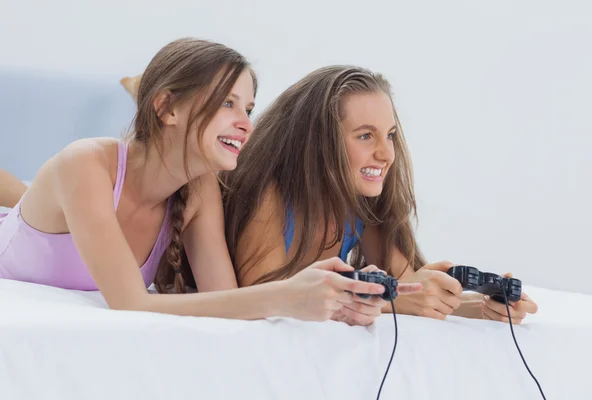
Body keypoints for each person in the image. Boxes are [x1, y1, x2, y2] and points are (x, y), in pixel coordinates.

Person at [0, 38, 422, 322]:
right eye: (227, 104)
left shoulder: (200, 188)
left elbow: (225, 297)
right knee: (19, 195)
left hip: (58, 209)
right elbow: (130, 304)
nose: (246, 125)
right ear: (167, 106)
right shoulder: (83, 164)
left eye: (249, 109)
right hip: (26, 226)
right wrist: (291, 295)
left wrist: (326, 299)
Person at [220, 65, 538, 325]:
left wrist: (482, 305)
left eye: (390, 135)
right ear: (318, 142)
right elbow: (264, 301)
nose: (386, 154)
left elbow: (414, 290)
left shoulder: (361, 204)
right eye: (365, 136)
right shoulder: (270, 196)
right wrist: (394, 299)